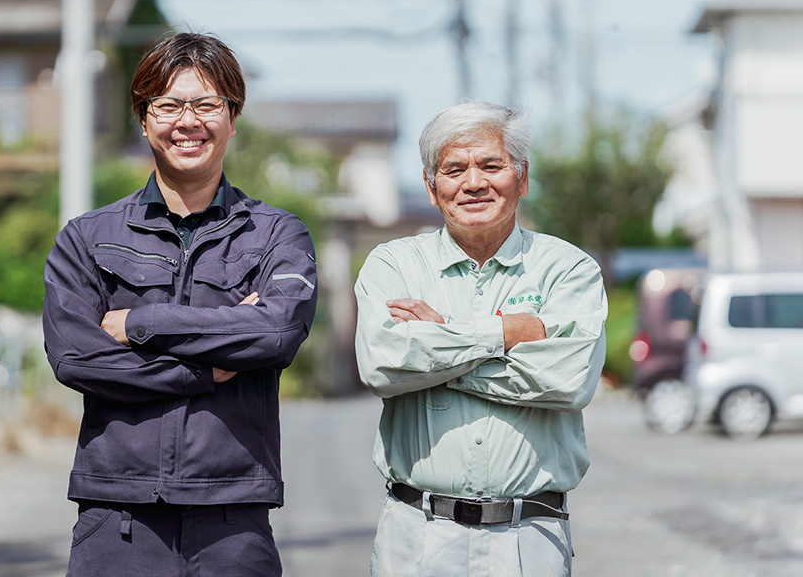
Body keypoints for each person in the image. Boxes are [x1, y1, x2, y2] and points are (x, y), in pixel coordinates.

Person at [42, 31, 318, 577]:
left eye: (206, 104)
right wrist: (202, 371)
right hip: (116, 518)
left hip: (233, 519)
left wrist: (142, 322)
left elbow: (277, 333)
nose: (187, 121)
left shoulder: (277, 235)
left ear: (232, 118)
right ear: (143, 120)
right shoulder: (87, 237)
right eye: (167, 105)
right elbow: (76, 358)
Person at [354, 100, 607, 576]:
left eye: (492, 165)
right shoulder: (393, 264)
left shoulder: (569, 270)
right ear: (432, 187)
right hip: (417, 532)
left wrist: (439, 348)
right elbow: (382, 365)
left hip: (528, 535)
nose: (473, 182)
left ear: (523, 178)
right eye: (454, 169)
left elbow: (570, 380)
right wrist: (506, 333)